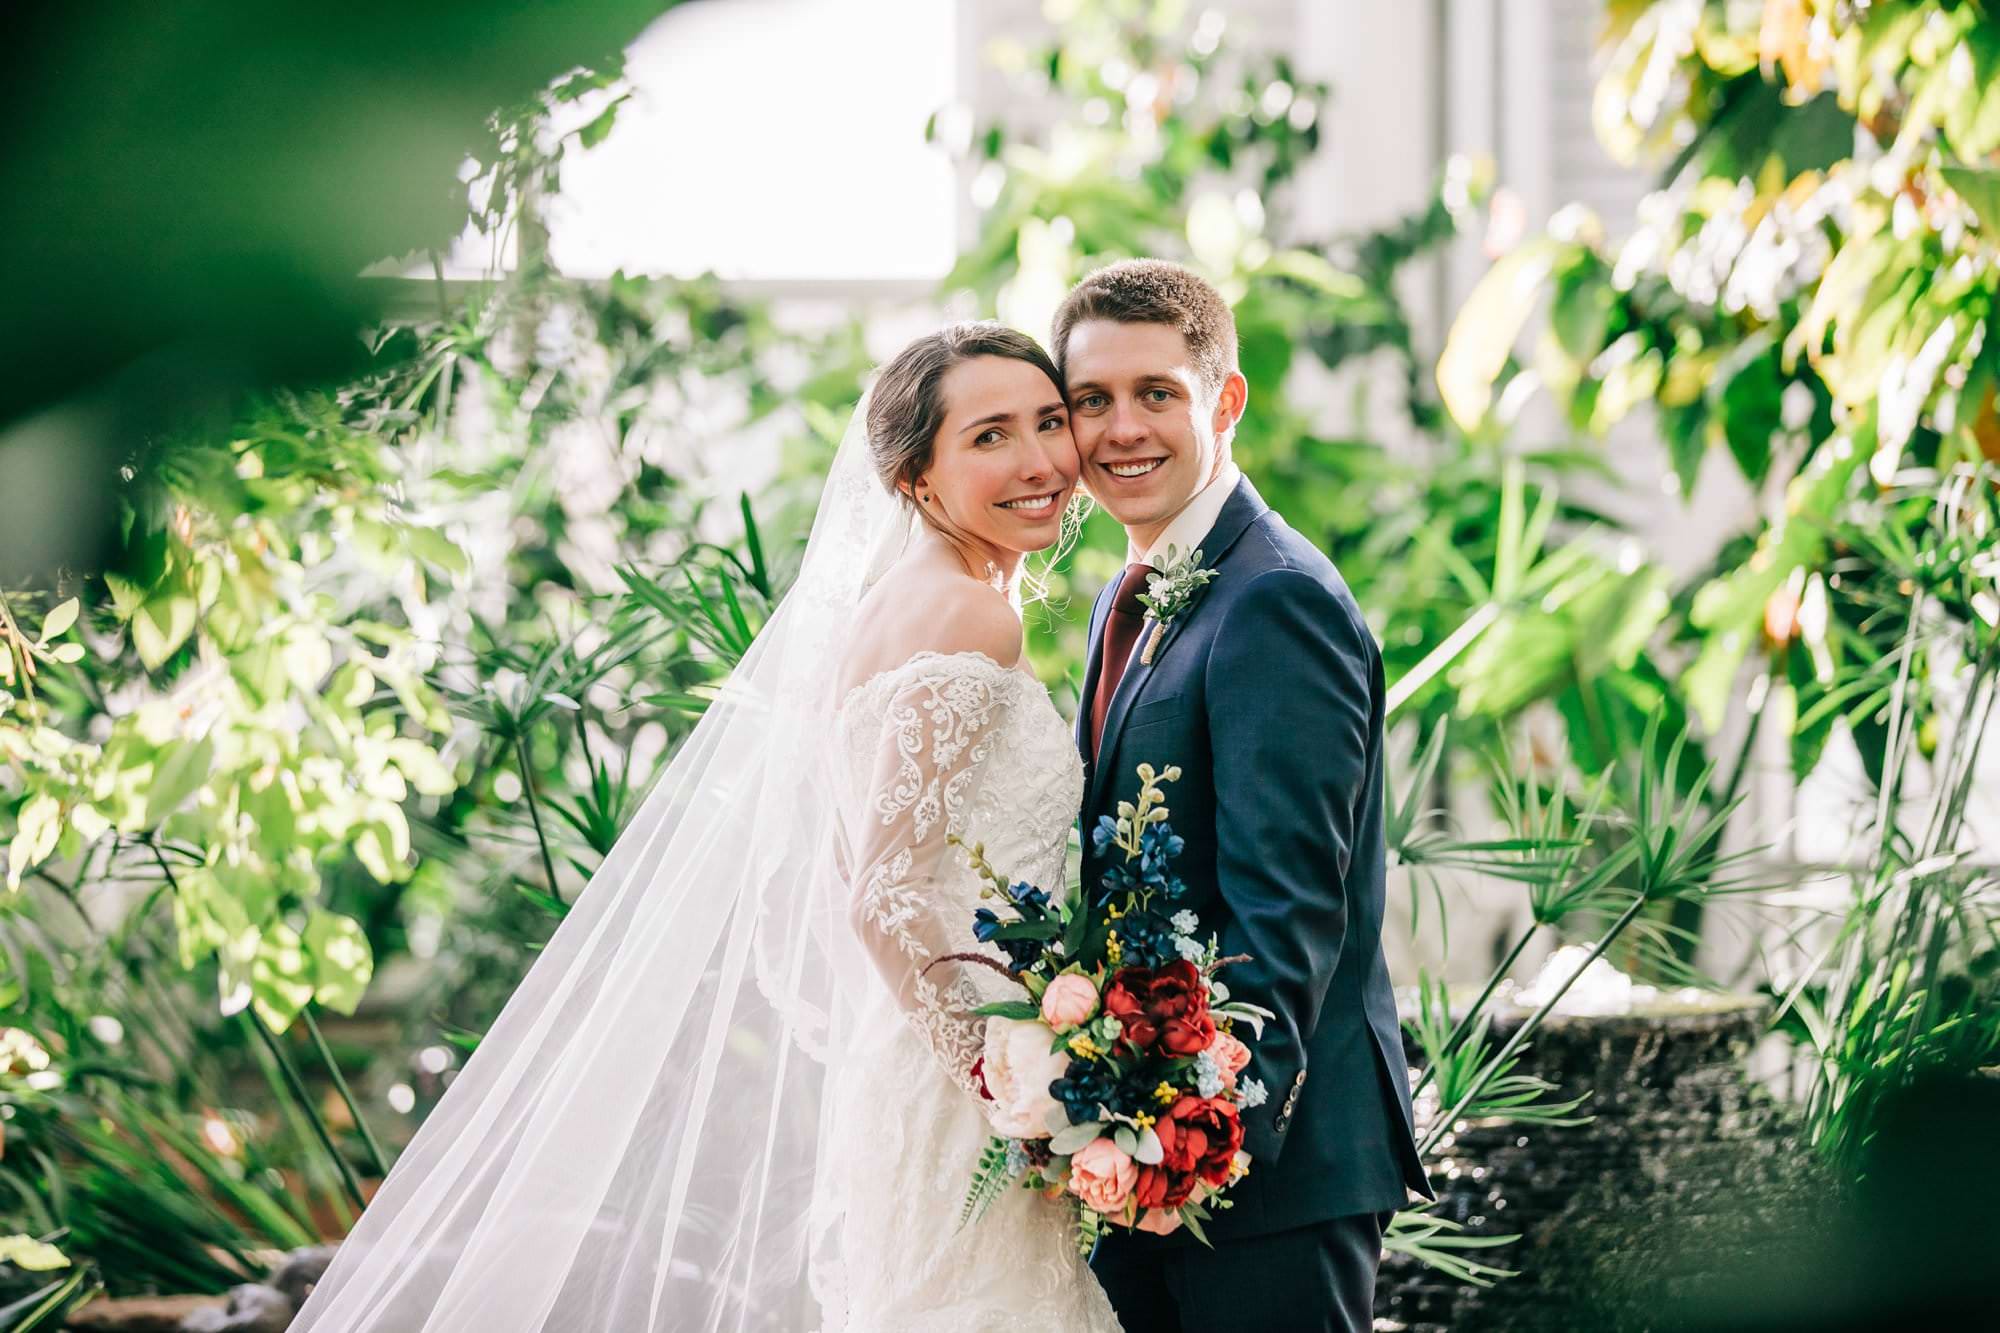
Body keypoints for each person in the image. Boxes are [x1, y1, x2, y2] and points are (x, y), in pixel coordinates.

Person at [289, 323, 1121, 1332]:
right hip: (968, 1083)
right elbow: (884, 894)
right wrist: (1007, 1083)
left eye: (1047, 421)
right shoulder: (967, 616)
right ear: (914, 475)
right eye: (989, 435)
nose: (1040, 460)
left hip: (910, 1063)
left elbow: (849, 860)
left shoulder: (894, 606)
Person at [1058, 259, 1433, 1333]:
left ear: (1223, 400)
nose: (1120, 428)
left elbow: (1288, 907)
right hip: (1142, 1150)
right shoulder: (1129, 595)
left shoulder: (1273, 598)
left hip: (1260, 1173)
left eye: (1155, 393)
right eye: (1092, 400)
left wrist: (1201, 1146)